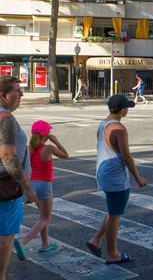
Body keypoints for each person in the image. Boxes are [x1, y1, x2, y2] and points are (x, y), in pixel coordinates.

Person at [87, 95, 146, 264]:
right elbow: (126, 157)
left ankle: (96, 239)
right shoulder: (119, 129)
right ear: (122, 111)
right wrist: (138, 177)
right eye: (127, 107)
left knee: (113, 210)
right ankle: (112, 253)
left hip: (103, 171)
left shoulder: (103, 123)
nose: (127, 110)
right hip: (115, 176)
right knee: (114, 216)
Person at [14, 121, 68, 256]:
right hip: (44, 185)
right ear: (46, 135)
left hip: (32, 183)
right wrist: (56, 141)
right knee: (46, 218)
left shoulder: (28, 148)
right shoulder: (48, 148)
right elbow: (65, 155)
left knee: (42, 216)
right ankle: (23, 242)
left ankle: (45, 244)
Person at [0, 77, 36, 277]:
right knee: (4, 242)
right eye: (16, 90)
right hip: (6, 190)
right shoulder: (6, 119)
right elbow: (8, 155)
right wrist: (27, 185)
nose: (21, 94)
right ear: (4, 96)